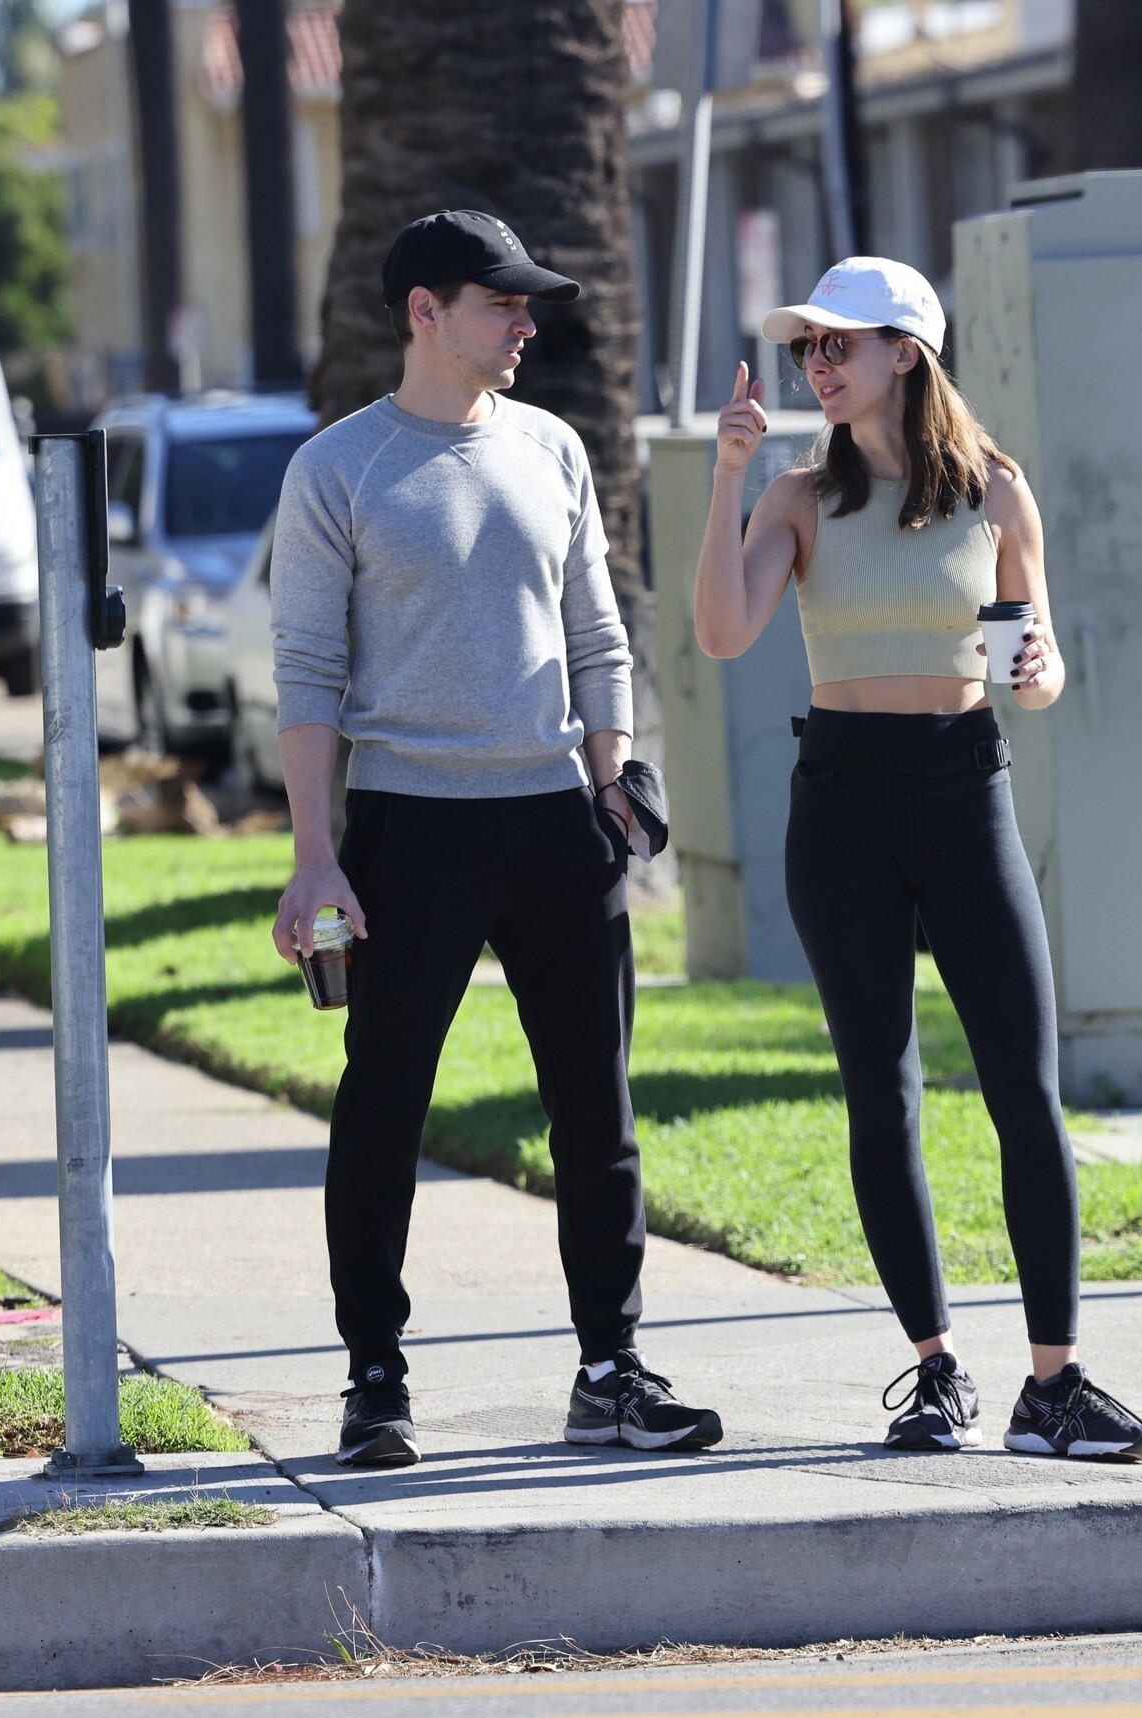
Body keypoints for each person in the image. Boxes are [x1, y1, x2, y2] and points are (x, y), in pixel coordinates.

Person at [269, 209, 722, 1467]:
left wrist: (615, 781)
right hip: (408, 827)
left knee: (597, 1110)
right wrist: (315, 856)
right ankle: (374, 1376)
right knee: (384, 1105)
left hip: (555, 822)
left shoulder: (553, 448)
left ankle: (610, 1368)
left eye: (529, 304)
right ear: (425, 311)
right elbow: (306, 673)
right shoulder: (338, 470)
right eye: (501, 302)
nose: (526, 323)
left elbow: (596, 631)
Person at [692, 256, 1142, 1460]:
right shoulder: (797, 497)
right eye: (808, 346)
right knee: (881, 1091)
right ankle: (936, 1369)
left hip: (963, 791)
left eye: (838, 343)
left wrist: (1042, 667)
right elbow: (724, 632)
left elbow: (1028, 670)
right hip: (841, 803)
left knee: (1024, 1091)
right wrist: (728, 476)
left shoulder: (995, 492)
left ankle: (1052, 1386)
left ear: (906, 352)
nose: (817, 363)